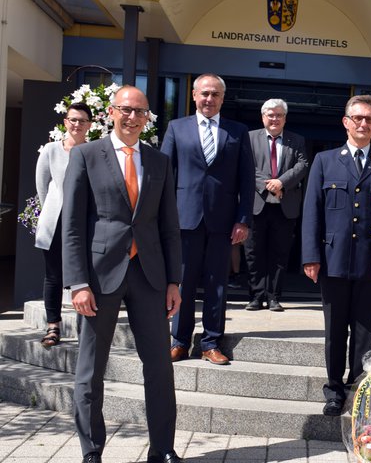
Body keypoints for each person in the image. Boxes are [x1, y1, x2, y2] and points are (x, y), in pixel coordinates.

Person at [62, 86, 183, 463]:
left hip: (149, 276)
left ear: (148, 118)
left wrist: (174, 281)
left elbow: (169, 227)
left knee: (160, 368)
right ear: (111, 112)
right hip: (99, 278)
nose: (133, 118)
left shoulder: (158, 161)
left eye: (141, 112)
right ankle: (92, 449)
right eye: (126, 110)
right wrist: (78, 282)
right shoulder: (85, 155)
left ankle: (162, 449)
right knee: (91, 369)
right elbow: (73, 225)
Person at [301, 95, 371, 416]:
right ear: (346, 122)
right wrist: (310, 255)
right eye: (357, 118)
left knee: (363, 329)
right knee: (334, 329)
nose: (363, 124)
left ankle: (358, 387)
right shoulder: (325, 160)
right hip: (332, 260)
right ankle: (333, 390)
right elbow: (312, 211)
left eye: (369, 119)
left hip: (370, 264)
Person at [162, 73, 255, 366]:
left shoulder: (238, 131)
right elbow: (165, 176)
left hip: (222, 222)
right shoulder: (177, 128)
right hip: (184, 220)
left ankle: (211, 342)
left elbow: (247, 179)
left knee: (217, 285)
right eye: (204, 93)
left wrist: (243, 219)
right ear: (193, 95)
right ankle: (179, 341)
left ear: (222, 98)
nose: (209, 99)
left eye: (215, 94)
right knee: (183, 283)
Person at [35, 102, 92, 347]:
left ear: (90, 125)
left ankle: (86, 328)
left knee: (85, 276)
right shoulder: (51, 150)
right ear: (65, 122)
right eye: (73, 120)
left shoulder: (94, 151)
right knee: (54, 276)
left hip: (85, 222)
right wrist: (53, 211)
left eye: (82, 120)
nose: (77, 124)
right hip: (55, 220)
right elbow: (42, 186)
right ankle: (53, 326)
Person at [243, 99, 308, 312]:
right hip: (257, 204)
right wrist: (270, 185)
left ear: (285, 118)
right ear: (263, 117)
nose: (274, 119)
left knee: (279, 253)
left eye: (279, 115)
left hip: (284, 205)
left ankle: (274, 297)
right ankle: (256, 295)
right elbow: (246, 166)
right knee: (254, 252)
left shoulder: (296, 140)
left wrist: (282, 182)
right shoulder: (250, 138)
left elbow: (303, 165)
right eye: (270, 115)